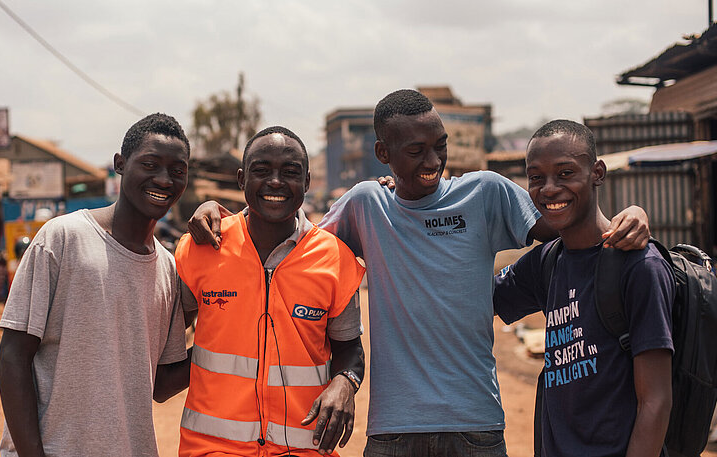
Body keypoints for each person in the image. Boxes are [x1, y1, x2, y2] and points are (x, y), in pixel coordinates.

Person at [188, 90, 650, 456]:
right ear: (383, 152)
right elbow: (291, 239)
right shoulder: (366, 204)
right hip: (392, 430)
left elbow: (565, 220)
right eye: (416, 151)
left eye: (439, 146)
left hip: (476, 425)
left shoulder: (486, 193)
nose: (433, 162)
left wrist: (626, 218)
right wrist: (220, 215)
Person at [0, 113, 194, 457]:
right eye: (150, 164)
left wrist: (226, 338)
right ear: (120, 164)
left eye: (177, 171)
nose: (164, 180)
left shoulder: (167, 269)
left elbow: (160, 385)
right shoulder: (63, 238)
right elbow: (12, 357)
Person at [175, 126, 366, 457]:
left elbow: (350, 349)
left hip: (304, 450)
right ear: (241, 179)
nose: (275, 182)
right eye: (261, 171)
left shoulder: (336, 259)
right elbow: (165, 345)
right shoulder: (201, 249)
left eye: (290, 172)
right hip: (212, 450)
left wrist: (344, 382)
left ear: (307, 182)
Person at [494, 120, 673, 456]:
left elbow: (656, 401)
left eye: (565, 173)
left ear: (598, 173)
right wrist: (403, 195)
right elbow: (468, 298)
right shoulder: (545, 263)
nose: (548, 188)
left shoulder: (639, 265)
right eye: (536, 177)